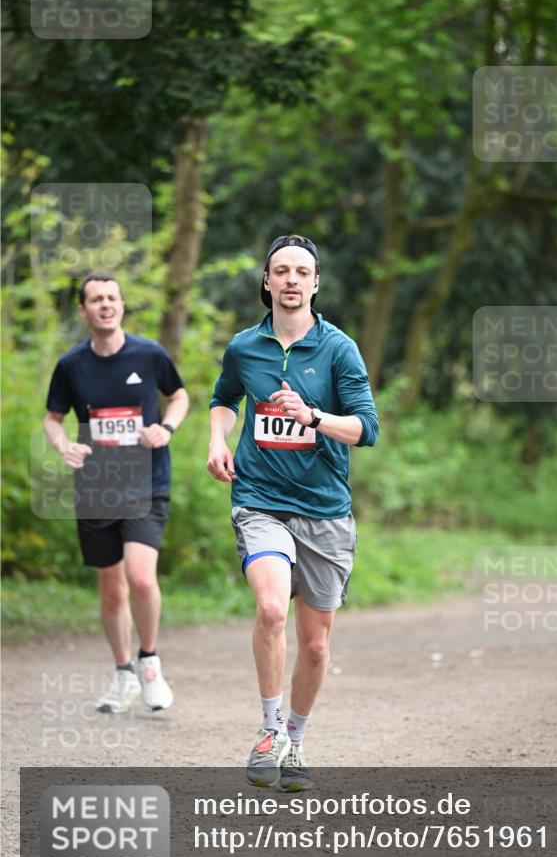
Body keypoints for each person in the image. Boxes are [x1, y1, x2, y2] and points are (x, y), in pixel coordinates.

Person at [207, 234, 379, 791]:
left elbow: (365, 429)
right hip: (260, 500)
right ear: (266, 280)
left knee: (315, 644)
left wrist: (311, 416)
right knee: (271, 609)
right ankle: (268, 730)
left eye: (301, 271)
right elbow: (224, 398)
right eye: (280, 270)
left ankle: (296, 742)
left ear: (315, 283)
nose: (290, 280)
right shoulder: (244, 347)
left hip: (325, 509)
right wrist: (216, 440)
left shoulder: (339, 349)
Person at [44, 272, 189, 714]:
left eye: (112, 297)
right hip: (95, 488)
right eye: (96, 299)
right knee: (111, 589)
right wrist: (64, 444)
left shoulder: (149, 354)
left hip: (146, 482)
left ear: (122, 305)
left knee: (141, 577)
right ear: (83, 310)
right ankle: (123, 672)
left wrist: (165, 429)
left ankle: (150, 662)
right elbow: (52, 418)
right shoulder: (71, 365)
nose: (106, 304)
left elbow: (179, 396)